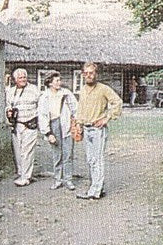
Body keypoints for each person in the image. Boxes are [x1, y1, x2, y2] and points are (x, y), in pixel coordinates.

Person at [74, 62, 122, 200]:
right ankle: (97, 186)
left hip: (98, 130)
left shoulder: (103, 89)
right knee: (90, 160)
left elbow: (117, 102)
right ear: (83, 75)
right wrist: (78, 123)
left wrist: (107, 118)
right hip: (87, 129)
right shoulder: (83, 89)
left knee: (97, 160)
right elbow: (81, 109)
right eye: (86, 73)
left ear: (96, 74)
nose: (89, 75)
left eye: (91, 73)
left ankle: (95, 191)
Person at [37, 72, 77, 191]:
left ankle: (68, 179)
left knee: (68, 153)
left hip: (66, 124)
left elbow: (75, 108)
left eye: (60, 80)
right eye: (56, 81)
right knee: (57, 154)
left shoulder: (66, 93)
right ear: (50, 83)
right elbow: (42, 115)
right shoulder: (45, 97)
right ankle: (58, 179)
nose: (59, 82)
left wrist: (76, 122)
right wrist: (48, 133)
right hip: (53, 125)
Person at [5, 68, 41, 187]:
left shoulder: (34, 90)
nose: (23, 79)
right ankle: (21, 172)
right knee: (18, 151)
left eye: (24, 77)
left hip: (30, 124)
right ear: (15, 79)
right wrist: (9, 112)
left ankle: (25, 177)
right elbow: (8, 105)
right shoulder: (11, 91)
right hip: (17, 125)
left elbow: (41, 106)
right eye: (20, 78)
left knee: (27, 152)